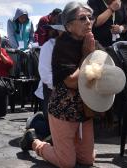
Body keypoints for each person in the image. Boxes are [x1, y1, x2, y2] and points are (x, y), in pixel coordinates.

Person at [19, 2, 102, 167]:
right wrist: (86, 56)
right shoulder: (55, 47)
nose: (88, 22)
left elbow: (104, 68)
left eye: (90, 18)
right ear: (69, 26)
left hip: (83, 109)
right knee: (67, 163)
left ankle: (61, 142)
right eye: (82, 18)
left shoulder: (91, 42)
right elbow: (69, 81)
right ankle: (35, 142)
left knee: (87, 159)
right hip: (63, 108)